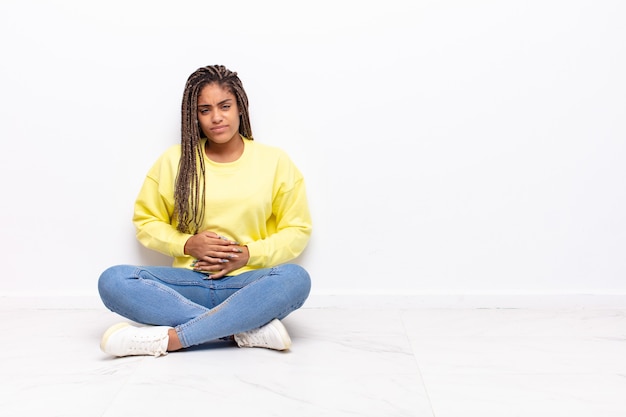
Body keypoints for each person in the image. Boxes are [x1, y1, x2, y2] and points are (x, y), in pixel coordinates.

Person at [98, 65, 312, 357]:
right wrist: (186, 243)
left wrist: (247, 255)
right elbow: (146, 221)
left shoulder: (274, 161)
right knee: (113, 281)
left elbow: (297, 230)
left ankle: (173, 340)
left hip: (248, 286)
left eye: (225, 106)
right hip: (188, 283)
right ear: (194, 116)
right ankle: (242, 329)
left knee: (296, 279)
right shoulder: (175, 161)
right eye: (205, 109)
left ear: (240, 108)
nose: (216, 117)